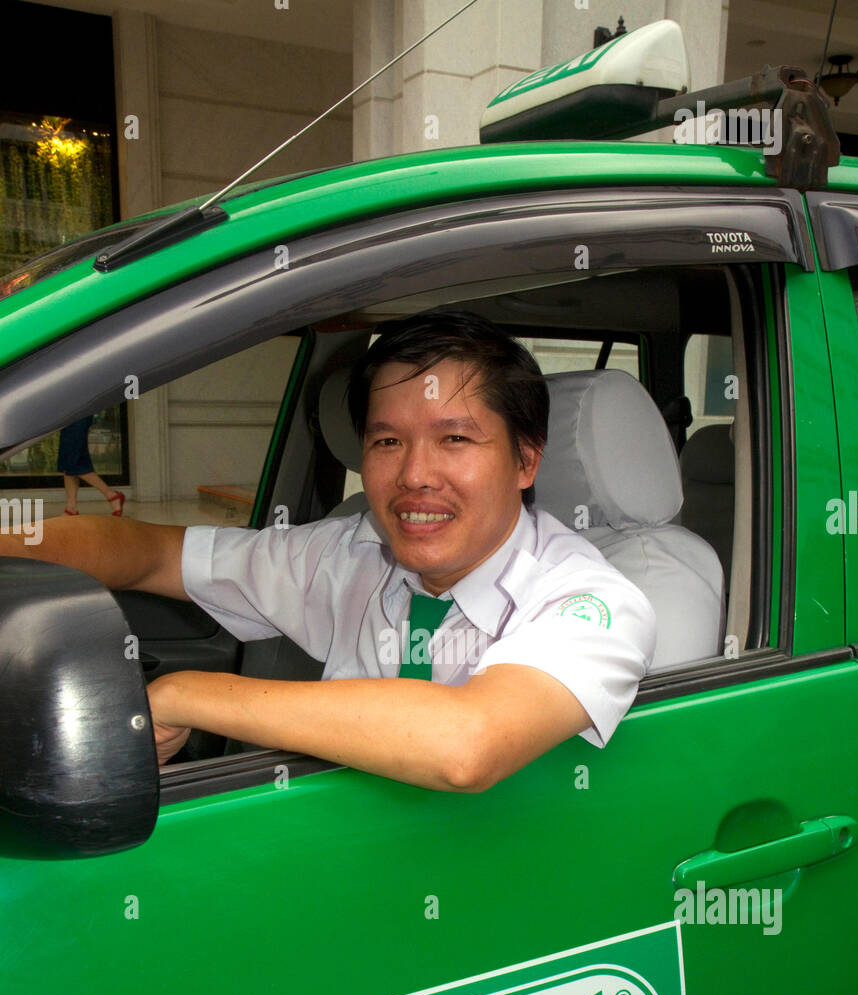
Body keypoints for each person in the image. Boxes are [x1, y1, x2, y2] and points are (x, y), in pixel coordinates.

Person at [0, 311, 656, 790]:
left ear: (525, 460)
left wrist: (180, 696)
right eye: (387, 441)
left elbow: (467, 744)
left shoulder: (593, 600)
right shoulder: (351, 554)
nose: (414, 475)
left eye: (454, 440)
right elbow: (143, 552)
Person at [56, 416, 125, 516]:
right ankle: (71, 507)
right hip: (69, 413)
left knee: (73, 460)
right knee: (68, 460)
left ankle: (111, 495)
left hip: (78, 411)